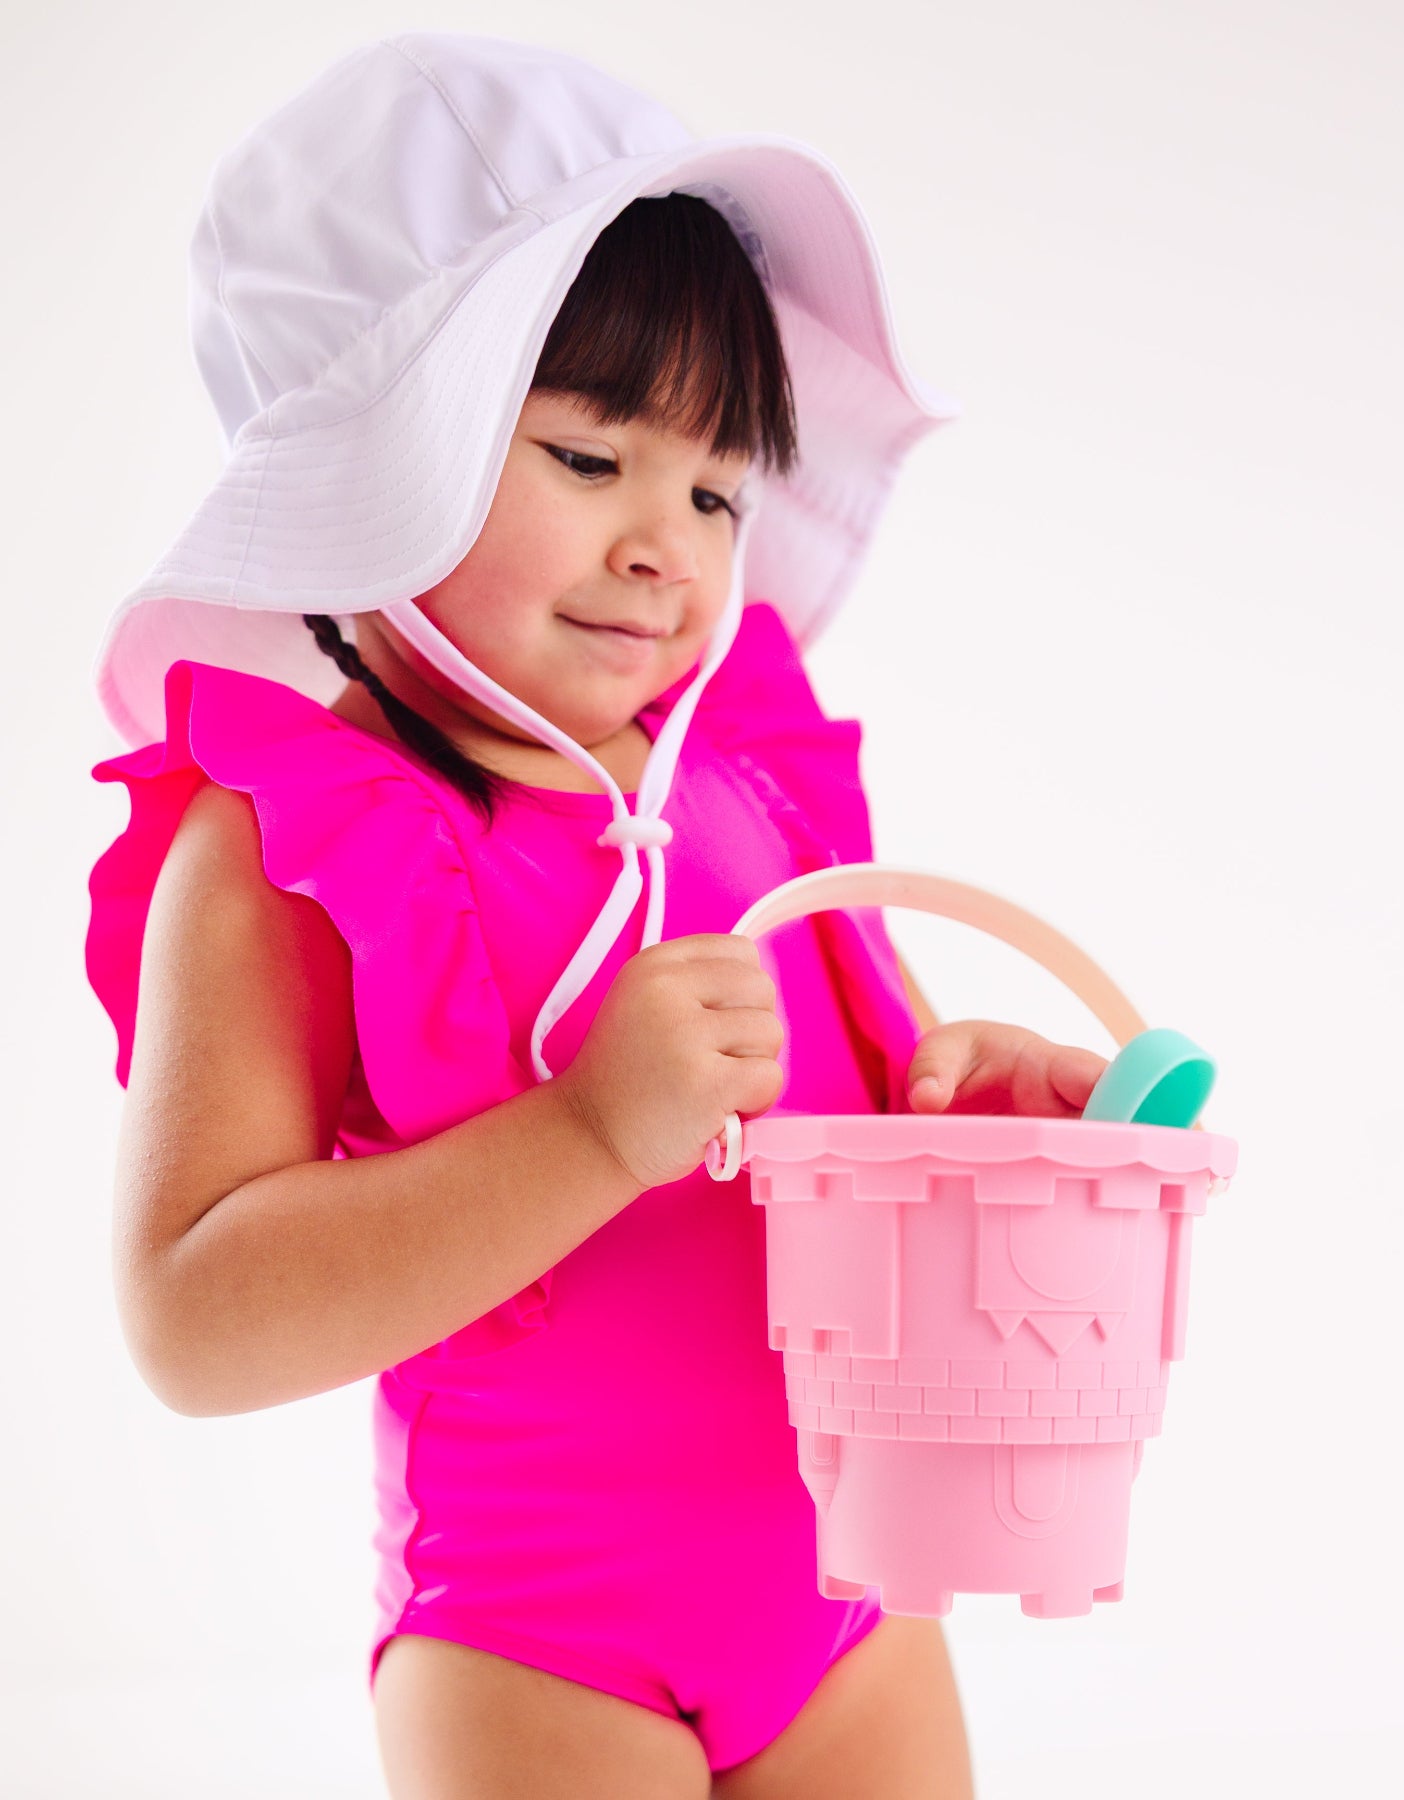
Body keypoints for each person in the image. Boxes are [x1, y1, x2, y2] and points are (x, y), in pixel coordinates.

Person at [83, 31, 1107, 1799]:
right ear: (373, 467)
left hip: (848, 1610)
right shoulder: (291, 839)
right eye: (585, 457)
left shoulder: (749, 774)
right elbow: (191, 1314)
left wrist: (974, 1112)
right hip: (541, 1650)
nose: (672, 545)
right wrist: (582, 1135)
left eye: (715, 487)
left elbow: (875, 1095)